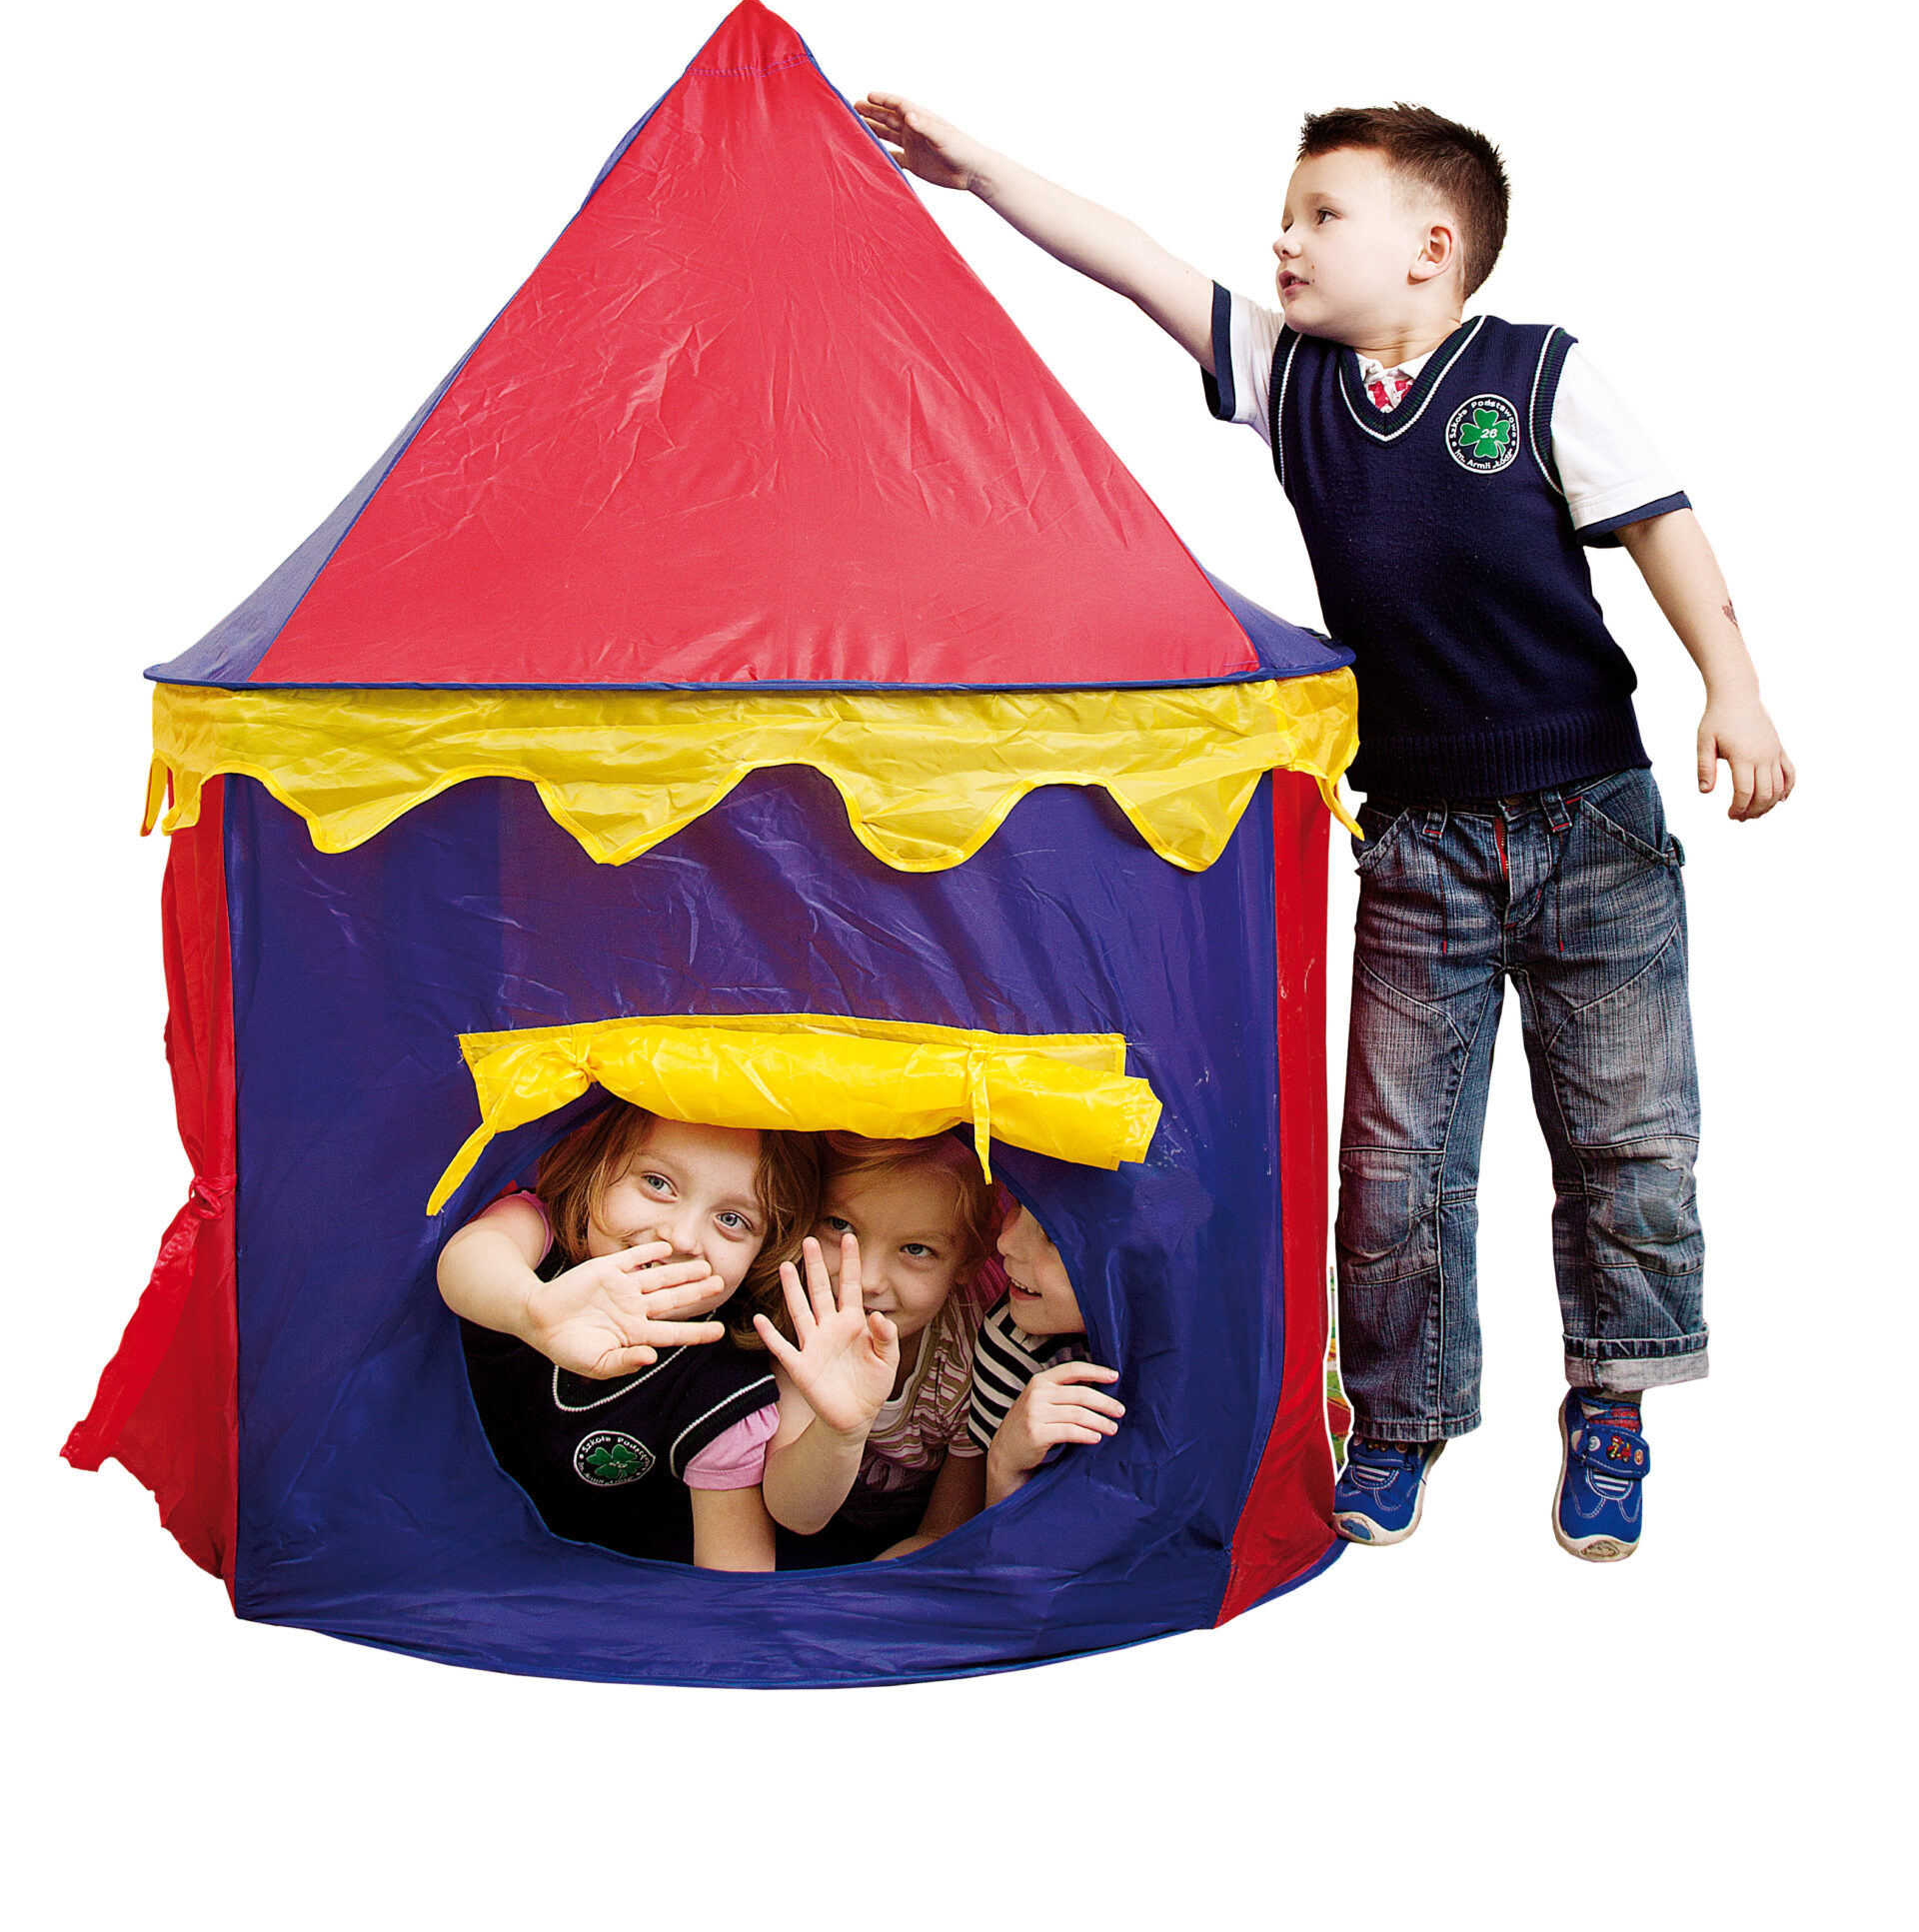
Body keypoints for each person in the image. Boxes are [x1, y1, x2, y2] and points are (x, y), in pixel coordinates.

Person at [856, 88, 1793, 1564]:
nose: (1283, 241)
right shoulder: (1289, 379)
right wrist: (973, 167)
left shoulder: (1538, 374)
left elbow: (1662, 524)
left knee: (1627, 1140)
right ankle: (1403, 1418)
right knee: (1397, 1159)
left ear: (1431, 247)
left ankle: (1612, 1401)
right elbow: (1130, 258)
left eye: (1320, 216)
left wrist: (1732, 687)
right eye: (1284, 218)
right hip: (1420, 843)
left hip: (1593, 827)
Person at [436, 1104, 817, 1571]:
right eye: (657, 1183)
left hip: (592, 1588)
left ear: (764, 1253)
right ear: (596, 1168)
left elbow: (734, 1574)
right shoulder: (538, 1233)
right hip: (435, 1524)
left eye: (732, 1220)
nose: (681, 1237)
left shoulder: (724, 1389)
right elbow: (464, 1262)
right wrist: (532, 1309)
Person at [753, 1132, 1000, 1562]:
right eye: (840, 1226)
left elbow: (942, 1532)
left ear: (968, 1263)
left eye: (916, 1249)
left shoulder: (973, 1356)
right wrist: (840, 1431)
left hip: (908, 1532)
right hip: (812, 1526)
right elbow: (795, 1514)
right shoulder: (799, 1316)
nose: (866, 1279)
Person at [968, 1200, 1124, 1507]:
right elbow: (1005, 1532)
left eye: (1052, 1235)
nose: (1005, 1243)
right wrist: (1004, 1463)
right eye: (1017, 1203)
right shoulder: (1014, 1347)